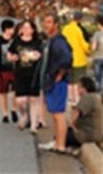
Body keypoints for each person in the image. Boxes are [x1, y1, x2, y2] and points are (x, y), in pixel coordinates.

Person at [37, 13, 73, 153]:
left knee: (58, 114)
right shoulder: (51, 41)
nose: (46, 25)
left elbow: (67, 59)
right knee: (54, 114)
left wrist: (60, 74)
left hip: (57, 82)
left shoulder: (59, 42)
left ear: (56, 24)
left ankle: (61, 145)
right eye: (45, 22)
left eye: (49, 22)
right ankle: (56, 141)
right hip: (50, 81)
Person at [7, 20, 44, 133]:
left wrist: (35, 55)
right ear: (21, 29)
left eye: (29, 28)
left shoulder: (37, 42)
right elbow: (9, 53)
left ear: (33, 30)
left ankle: (33, 125)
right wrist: (12, 58)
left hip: (33, 74)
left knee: (34, 100)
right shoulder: (16, 41)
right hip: (20, 74)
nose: (27, 30)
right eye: (24, 28)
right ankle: (24, 115)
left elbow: (40, 54)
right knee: (20, 100)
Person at [63, 77, 103, 150]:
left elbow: (76, 113)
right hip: (96, 133)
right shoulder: (94, 97)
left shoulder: (87, 98)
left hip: (87, 134)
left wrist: (70, 125)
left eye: (79, 87)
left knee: (61, 135)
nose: (77, 89)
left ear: (84, 88)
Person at [0, 19, 18, 124]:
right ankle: (5, 114)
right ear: (6, 29)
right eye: (12, 28)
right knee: (3, 93)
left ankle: (14, 109)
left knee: (15, 91)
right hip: (2, 70)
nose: (13, 30)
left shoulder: (16, 40)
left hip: (15, 70)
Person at [62, 11, 91, 104]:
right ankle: (77, 100)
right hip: (79, 59)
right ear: (80, 19)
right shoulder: (79, 29)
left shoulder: (65, 29)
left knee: (70, 81)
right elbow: (83, 44)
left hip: (67, 58)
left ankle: (70, 100)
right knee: (77, 81)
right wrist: (89, 50)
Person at [90, 15, 103, 90]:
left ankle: (99, 96)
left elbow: (93, 48)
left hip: (97, 58)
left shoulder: (97, 34)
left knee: (98, 78)